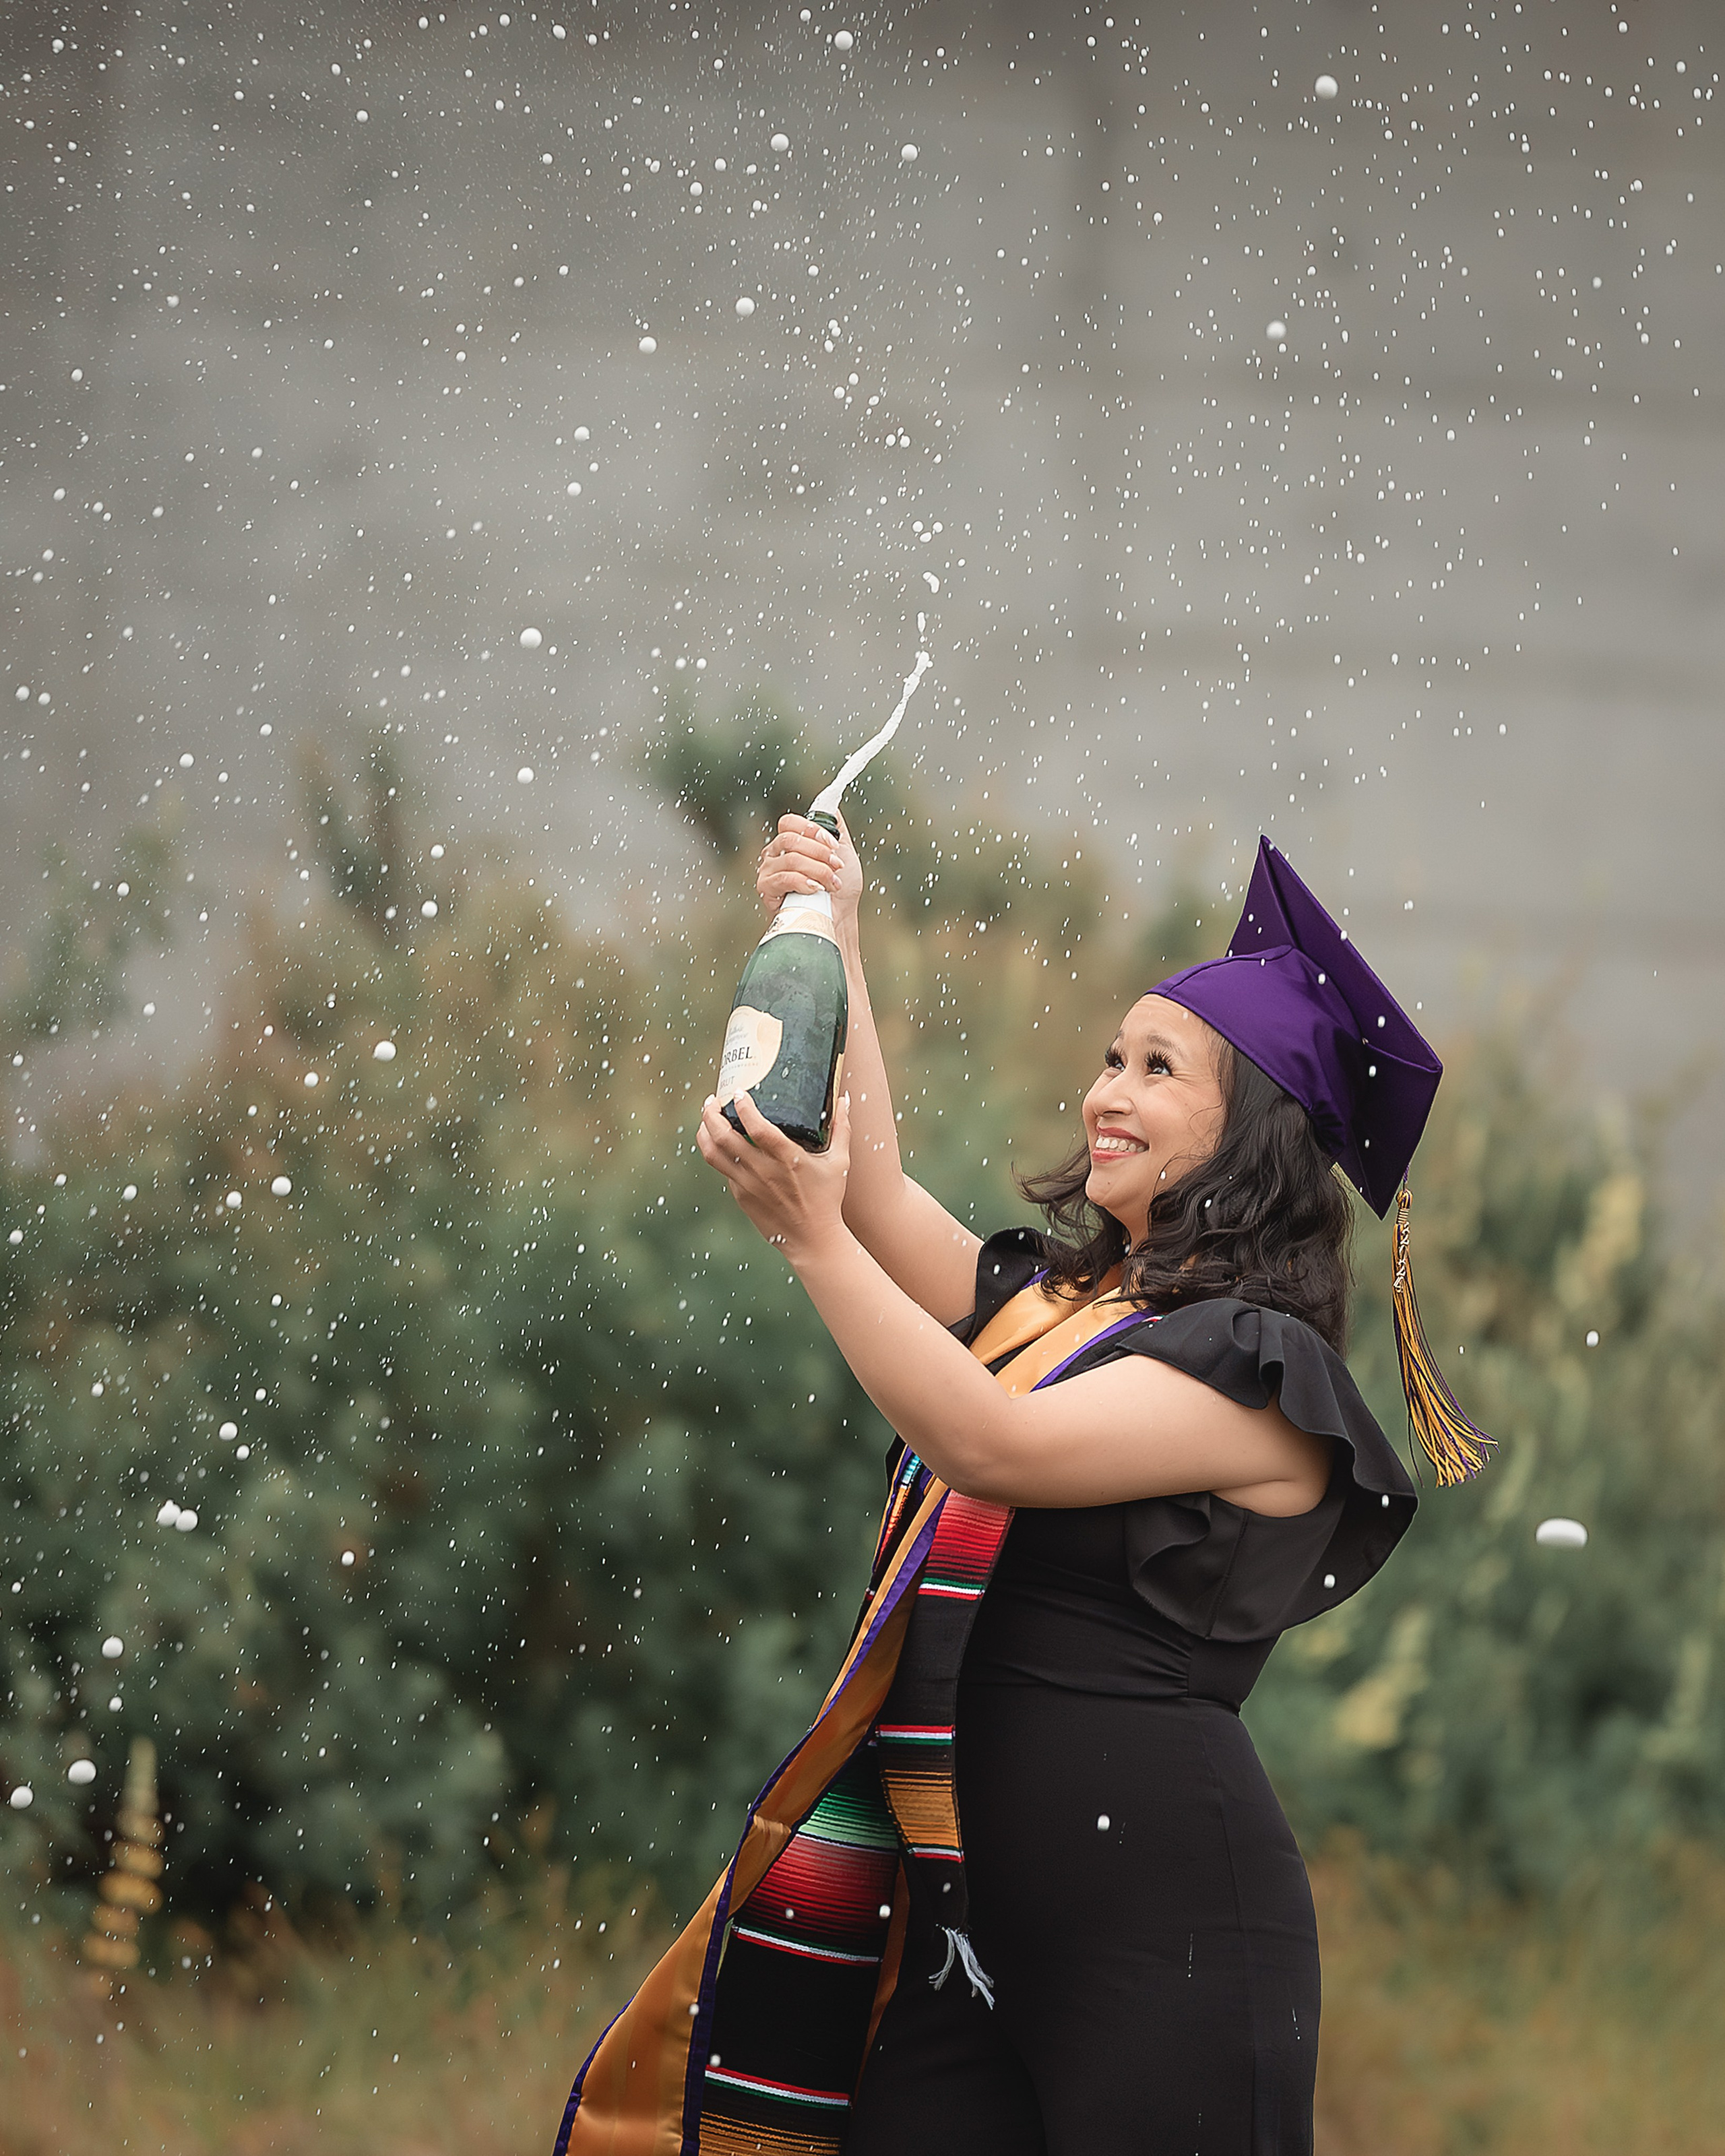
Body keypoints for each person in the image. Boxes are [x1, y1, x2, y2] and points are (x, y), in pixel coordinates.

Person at [553, 825, 1491, 2156]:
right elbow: (871, 1193)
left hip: (1164, 1935)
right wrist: (837, 934)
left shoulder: (1252, 1373)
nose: (1105, 1088)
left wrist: (804, 1240)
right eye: (1110, 1055)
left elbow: (994, 1445)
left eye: (1156, 1068)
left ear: (1252, 1139)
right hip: (968, 1934)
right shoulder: (1069, 1310)